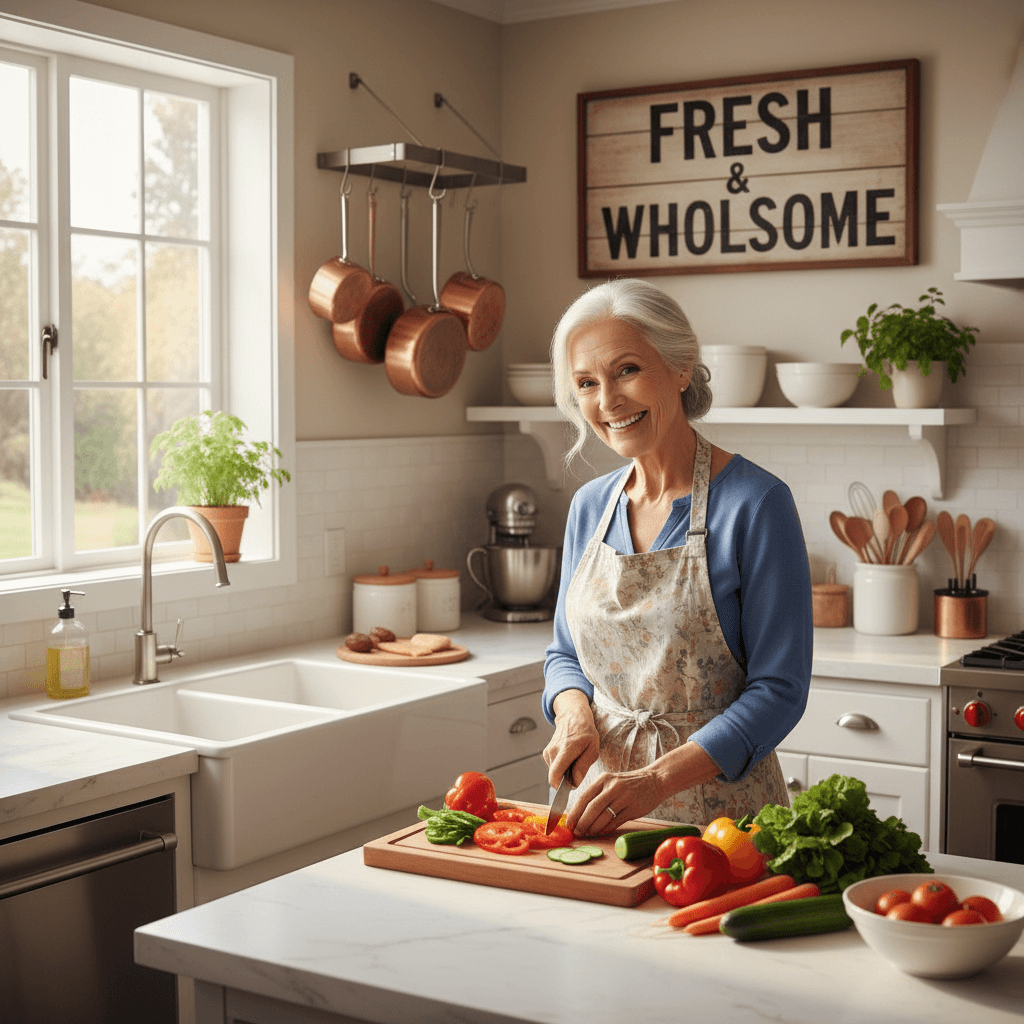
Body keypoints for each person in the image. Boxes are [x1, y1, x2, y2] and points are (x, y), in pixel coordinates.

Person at [542, 279, 812, 836]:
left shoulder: (757, 504)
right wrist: (571, 713)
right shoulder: (589, 507)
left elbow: (780, 691)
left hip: (727, 826)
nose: (607, 401)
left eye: (627, 370)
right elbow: (565, 654)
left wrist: (657, 780)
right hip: (605, 813)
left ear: (682, 367)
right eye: (586, 383)